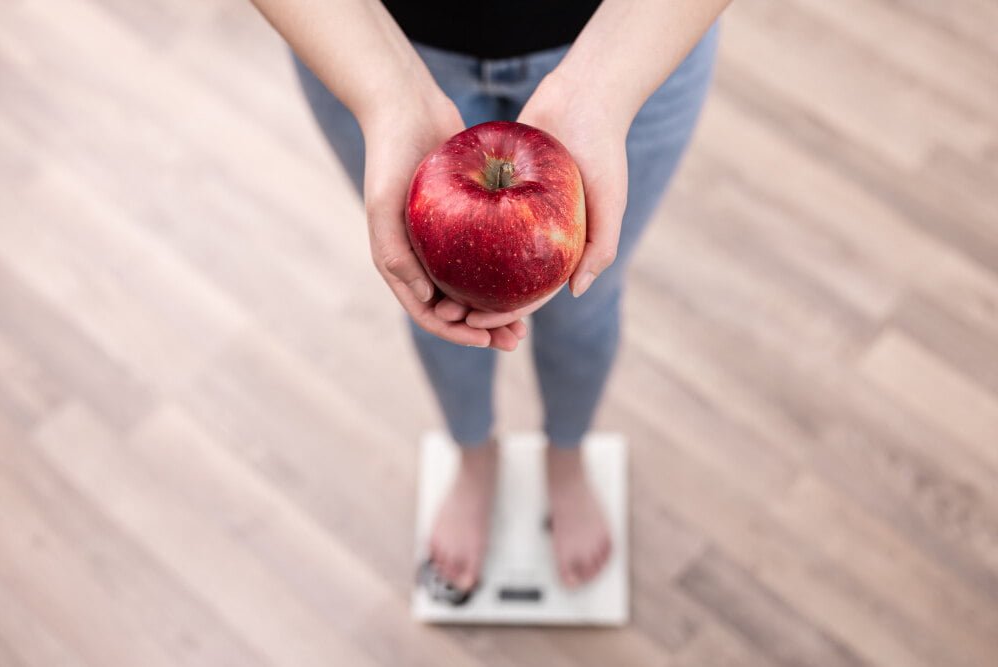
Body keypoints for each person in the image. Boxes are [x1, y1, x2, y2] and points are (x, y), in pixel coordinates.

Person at [251, 0, 730, 593]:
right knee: (438, 297)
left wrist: (602, 86)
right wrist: (389, 91)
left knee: (586, 304)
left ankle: (567, 455)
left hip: (636, 36)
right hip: (364, 36)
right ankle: (473, 456)